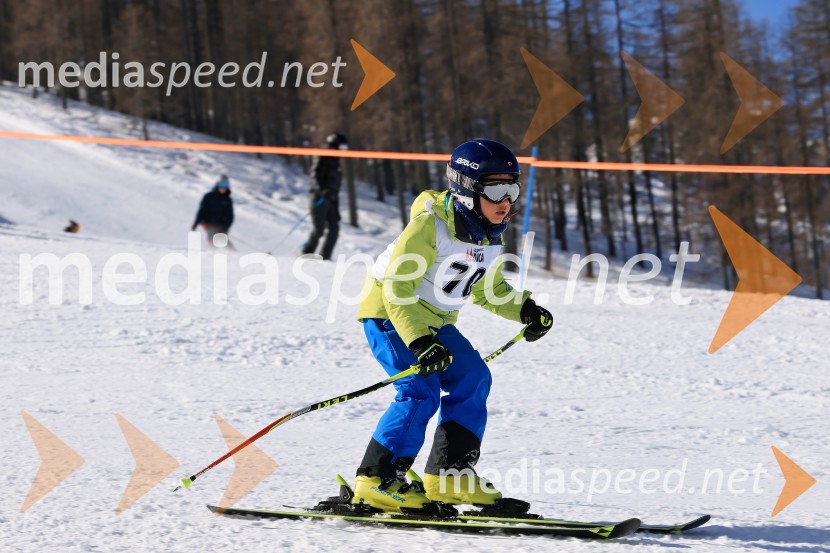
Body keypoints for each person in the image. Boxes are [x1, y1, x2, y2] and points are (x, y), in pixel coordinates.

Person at [351, 138, 553, 512]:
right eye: (496, 190)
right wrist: (419, 341)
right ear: (465, 188)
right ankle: (376, 479)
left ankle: (449, 473)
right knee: (420, 389)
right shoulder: (430, 226)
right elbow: (398, 290)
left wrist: (525, 310)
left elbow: (488, 290)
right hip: (390, 314)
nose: (506, 202)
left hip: (435, 321)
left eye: (513, 189)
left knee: (474, 377)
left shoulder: (489, 235)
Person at [301, 133, 348, 260]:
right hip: (319, 199)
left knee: (334, 228)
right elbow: (314, 176)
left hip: (331, 201)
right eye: (341, 148)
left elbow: (336, 187)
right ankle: (307, 252)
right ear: (335, 146)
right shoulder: (323, 157)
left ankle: (325, 256)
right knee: (319, 230)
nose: (343, 151)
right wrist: (321, 190)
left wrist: (335, 207)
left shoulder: (336, 163)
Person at [192, 174, 234, 247]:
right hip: (208, 223)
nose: (223, 188)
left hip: (220, 225)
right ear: (217, 185)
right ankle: (212, 252)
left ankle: (234, 254)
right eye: (221, 185)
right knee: (212, 238)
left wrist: (225, 227)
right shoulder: (209, 196)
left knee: (223, 240)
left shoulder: (227, 200)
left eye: (225, 186)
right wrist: (196, 223)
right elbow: (202, 210)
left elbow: (230, 216)